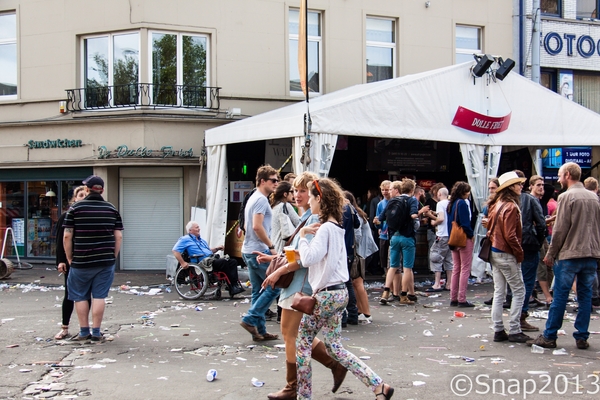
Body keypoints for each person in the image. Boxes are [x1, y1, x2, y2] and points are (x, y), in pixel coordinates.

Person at [296, 178, 394, 400]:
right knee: (334, 347)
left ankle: (304, 396)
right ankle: (379, 385)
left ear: (319, 199)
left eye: (311, 197)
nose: (309, 202)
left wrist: (303, 237)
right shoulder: (337, 227)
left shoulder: (324, 229)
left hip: (327, 293)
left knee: (302, 342)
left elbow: (309, 258)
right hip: (340, 292)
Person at [262, 172, 347, 400]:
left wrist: (278, 269)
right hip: (299, 283)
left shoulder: (312, 220)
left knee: (291, 334)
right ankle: (332, 366)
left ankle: (294, 387)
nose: (298, 195)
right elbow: (296, 252)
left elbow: (304, 258)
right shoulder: (307, 217)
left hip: (301, 284)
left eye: (303, 191)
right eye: (296, 190)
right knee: (294, 334)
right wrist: (274, 259)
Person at [528, 162, 600, 350]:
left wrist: (551, 253)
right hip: (590, 253)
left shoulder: (566, 197)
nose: (558, 179)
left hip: (570, 253)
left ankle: (550, 335)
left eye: (560, 175)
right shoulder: (594, 197)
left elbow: (560, 230)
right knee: (585, 296)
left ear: (567, 175)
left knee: (560, 295)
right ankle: (582, 335)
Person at [63, 175, 123, 343]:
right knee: (99, 296)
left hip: (81, 260)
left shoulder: (75, 209)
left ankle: (83, 332)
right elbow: (118, 236)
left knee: (80, 296)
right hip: (105, 261)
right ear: (102, 190)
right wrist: (113, 256)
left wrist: (69, 258)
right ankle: (96, 332)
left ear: (87, 190)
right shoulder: (111, 209)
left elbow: (67, 236)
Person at [486, 171, 532, 343]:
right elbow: (511, 235)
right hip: (506, 253)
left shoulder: (497, 204)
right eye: (518, 184)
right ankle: (514, 328)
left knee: (499, 292)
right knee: (519, 291)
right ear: (511, 187)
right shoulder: (511, 207)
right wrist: (519, 253)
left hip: (495, 251)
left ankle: (498, 329)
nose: (521, 186)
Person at [239, 165, 281, 342]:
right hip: (258, 250)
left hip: (249, 250)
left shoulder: (254, 197)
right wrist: (271, 246)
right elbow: (256, 226)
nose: (276, 184)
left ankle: (260, 331)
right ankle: (250, 319)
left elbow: (250, 225)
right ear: (262, 181)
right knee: (275, 286)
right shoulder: (262, 200)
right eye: (273, 180)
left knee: (259, 290)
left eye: (277, 180)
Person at [172, 221, 244, 296]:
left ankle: (234, 285)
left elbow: (209, 251)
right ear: (190, 230)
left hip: (210, 259)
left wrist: (217, 248)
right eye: (197, 227)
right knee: (223, 262)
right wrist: (182, 262)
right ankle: (231, 286)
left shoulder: (201, 240)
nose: (199, 229)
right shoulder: (184, 239)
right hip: (201, 262)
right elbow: (175, 250)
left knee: (233, 261)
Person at [513, 171, 546, 332]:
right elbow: (541, 225)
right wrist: (538, 241)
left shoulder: (505, 200)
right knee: (526, 280)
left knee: (512, 283)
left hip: (511, 244)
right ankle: (521, 315)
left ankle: (515, 316)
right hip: (527, 243)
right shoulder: (529, 200)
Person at [377, 179, 419, 305]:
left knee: (393, 266)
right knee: (407, 268)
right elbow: (413, 215)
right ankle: (404, 295)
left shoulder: (392, 201)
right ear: (412, 190)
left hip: (394, 236)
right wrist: (420, 213)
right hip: (407, 237)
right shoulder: (412, 200)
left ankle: (385, 292)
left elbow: (381, 218)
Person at [54, 185, 88, 340]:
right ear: (75, 198)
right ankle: (64, 327)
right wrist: (61, 260)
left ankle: (85, 327)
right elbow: (61, 239)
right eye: (80, 195)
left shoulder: (90, 215)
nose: (83, 197)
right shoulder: (67, 215)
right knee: (69, 294)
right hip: (71, 260)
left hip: (86, 260)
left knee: (87, 295)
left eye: (86, 194)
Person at [344, 191, 378, 324]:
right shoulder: (356, 212)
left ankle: (367, 313)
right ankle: (360, 311)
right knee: (355, 283)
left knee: (357, 283)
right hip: (363, 251)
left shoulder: (354, 214)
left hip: (360, 253)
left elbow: (356, 237)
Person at [447, 181, 475, 307]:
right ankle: (462, 298)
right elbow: (465, 223)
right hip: (463, 238)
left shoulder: (451, 204)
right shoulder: (462, 203)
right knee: (465, 269)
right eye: (467, 191)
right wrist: (471, 235)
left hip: (453, 238)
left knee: (456, 268)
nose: (469, 194)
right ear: (463, 192)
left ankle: (453, 297)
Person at [373, 180, 401, 301]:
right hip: (384, 236)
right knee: (386, 264)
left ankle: (394, 290)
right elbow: (378, 222)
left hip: (394, 235)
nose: (385, 192)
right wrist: (377, 224)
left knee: (394, 265)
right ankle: (392, 290)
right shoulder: (380, 204)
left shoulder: (397, 203)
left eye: (387, 189)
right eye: (383, 190)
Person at [427, 187, 453, 292]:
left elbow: (441, 218)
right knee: (449, 259)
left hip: (442, 234)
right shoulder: (451, 203)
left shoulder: (440, 204)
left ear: (439, 194)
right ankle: (449, 284)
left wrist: (434, 222)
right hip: (451, 235)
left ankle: (437, 283)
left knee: (436, 256)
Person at [270, 181, 300, 254]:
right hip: (284, 247)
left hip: (275, 246)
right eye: (292, 191)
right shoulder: (286, 206)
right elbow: (299, 223)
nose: (294, 194)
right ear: (285, 194)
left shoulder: (274, 207)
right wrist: (300, 208)